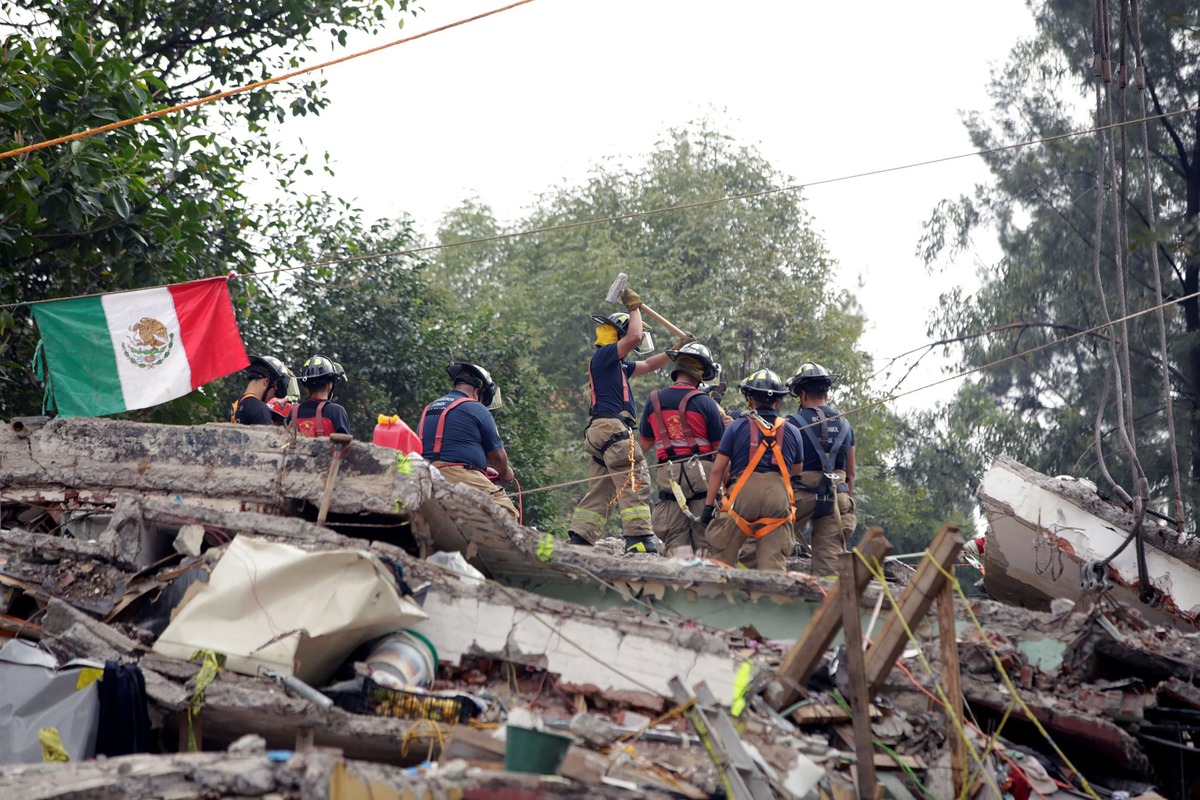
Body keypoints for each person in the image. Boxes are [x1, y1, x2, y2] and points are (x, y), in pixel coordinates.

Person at [567, 288, 681, 554]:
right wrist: (634, 306)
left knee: (602, 488)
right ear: (619, 334)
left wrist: (674, 351)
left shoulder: (617, 366)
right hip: (612, 430)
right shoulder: (605, 355)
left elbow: (649, 365)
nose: (636, 346)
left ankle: (581, 538)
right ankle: (639, 538)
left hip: (600, 433)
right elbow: (635, 335)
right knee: (635, 480)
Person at [700, 369, 804, 572]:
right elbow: (797, 471)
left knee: (722, 557)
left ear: (750, 399)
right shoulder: (793, 431)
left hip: (741, 498)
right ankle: (770, 599)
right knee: (773, 568)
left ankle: (720, 596)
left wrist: (707, 507)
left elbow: (718, 470)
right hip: (778, 498)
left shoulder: (736, 427)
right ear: (778, 402)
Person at [639, 342, 726, 557]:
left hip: (669, 477)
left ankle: (679, 584)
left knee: (676, 541)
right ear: (700, 375)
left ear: (676, 369)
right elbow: (721, 451)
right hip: (702, 477)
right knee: (706, 540)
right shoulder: (706, 403)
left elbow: (645, 444)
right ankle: (705, 584)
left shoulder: (653, 400)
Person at [419, 361, 518, 520]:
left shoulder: (431, 408)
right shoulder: (475, 408)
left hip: (426, 475)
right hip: (456, 475)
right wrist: (505, 473)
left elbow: (446, 448)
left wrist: (481, 468)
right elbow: (498, 457)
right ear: (477, 391)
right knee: (506, 512)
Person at [785, 361, 857, 577]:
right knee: (830, 567)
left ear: (802, 393)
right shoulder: (845, 425)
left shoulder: (791, 423)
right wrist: (843, 505)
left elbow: (781, 465)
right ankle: (828, 605)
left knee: (764, 535)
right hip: (837, 497)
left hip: (800, 496)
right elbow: (851, 474)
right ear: (826, 391)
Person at [290, 355, 351, 437]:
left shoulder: (293, 412)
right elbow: (346, 446)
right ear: (330, 385)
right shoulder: (336, 412)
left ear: (307, 388)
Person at [230, 355, 291, 426]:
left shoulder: (236, 406)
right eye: (275, 390)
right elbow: (268, 437)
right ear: (267, 381)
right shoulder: (260, 409)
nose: (274, 396)